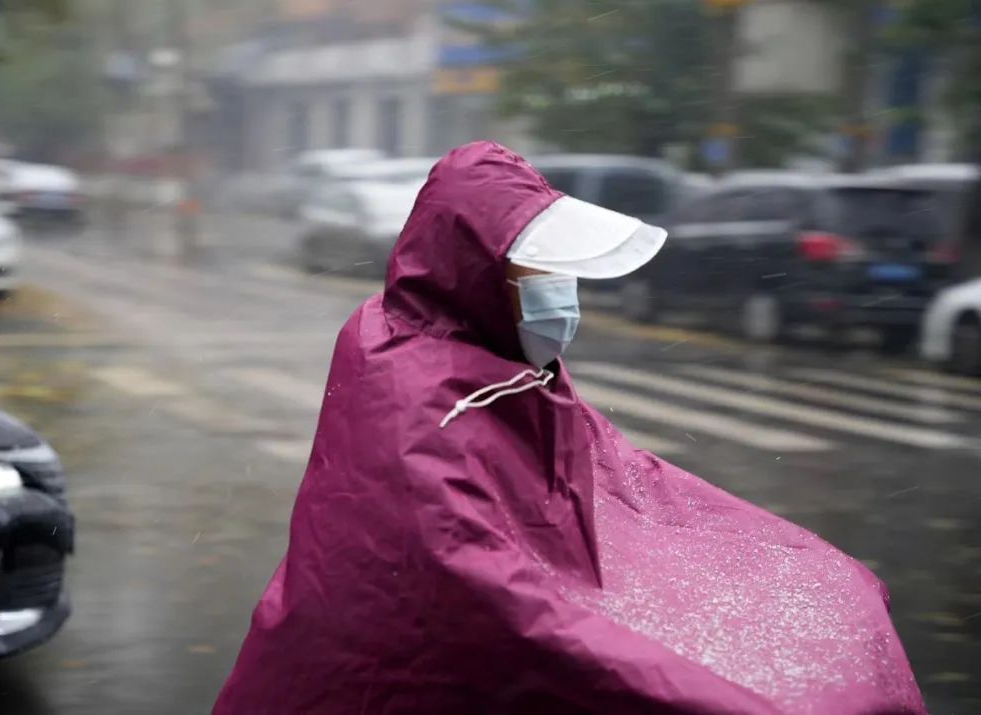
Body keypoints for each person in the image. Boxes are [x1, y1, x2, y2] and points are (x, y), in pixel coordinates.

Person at [214, 142, 924, 714]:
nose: (562, 292)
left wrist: (778, 561)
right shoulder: (411, 379)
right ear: (477, 269)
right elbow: (470, 577)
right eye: (539, 269)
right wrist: (680, 679)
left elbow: (622, 479)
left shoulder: (506, 352)